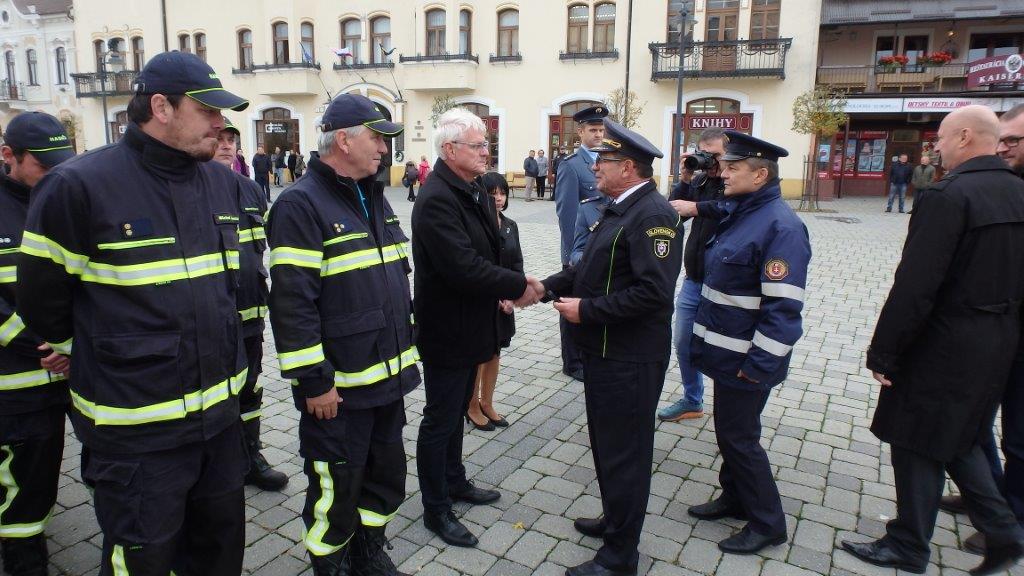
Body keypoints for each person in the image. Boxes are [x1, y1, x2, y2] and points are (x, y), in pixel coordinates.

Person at [17, 50, 251, 576]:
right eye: (208, 110)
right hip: (136, 429)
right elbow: (41, 299)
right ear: (162, 106)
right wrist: (90, 354)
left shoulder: (220, 183)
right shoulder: (78, 184)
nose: (221, 123)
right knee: (142, 559)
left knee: (218, 554)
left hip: (217, 421)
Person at [841, 105, 1024, 576]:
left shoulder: (948, 195)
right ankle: (998, 533)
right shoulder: (1017, 191)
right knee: (954, 437)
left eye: (940, 139)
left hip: (944, 341)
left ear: (964, 137)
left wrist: (884, 351)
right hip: (1000, 337)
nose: (935, 149)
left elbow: (916, 285)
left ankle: (916, 542)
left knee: (915, 435)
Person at [267, 94, 417, 575]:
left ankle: (369, 547)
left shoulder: (373, 196)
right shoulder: (299, 204)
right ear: (344, 139)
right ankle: (330, 560)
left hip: (387, 374)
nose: (383, 150)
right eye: (376, 138)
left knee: (386, 473)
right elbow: (293, 302)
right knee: (337, 483)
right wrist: (314, 379)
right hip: (340, 387)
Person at [538, 120, 682, 576]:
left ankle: (621, 557)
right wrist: (542, 287)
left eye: (606, 161)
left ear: (630, 168)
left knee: (626, 453)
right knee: (607, 446)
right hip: (604, 353)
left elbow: (654, 293)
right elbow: (587, 270)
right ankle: (615, 519)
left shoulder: (652, 215)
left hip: (630, 357)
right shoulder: (617, 208)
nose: (595, 166)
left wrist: (589, 312)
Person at [412, 108, 541, 549]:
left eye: (487, 143)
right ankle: (436, 507)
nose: (487, 150)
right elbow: (463, 267)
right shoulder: (436, 198)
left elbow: (493, 252)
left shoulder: (473, 190)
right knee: (441, 418)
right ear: (450, 150)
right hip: (447, 328)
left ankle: (456, 481)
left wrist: (510, 284)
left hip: (474, 323)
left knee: (456, 415)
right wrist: (520, 285)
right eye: (478, 144)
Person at [687, 131, 811, 555]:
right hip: (727, 352)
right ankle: (735, 496)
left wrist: (759, 365)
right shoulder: (744, 212)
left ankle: (767, 522)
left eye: (732, 167)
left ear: (760, 175)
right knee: (733, 434)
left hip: (747, 360)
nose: (722, 173)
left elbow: (784, 311)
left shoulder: (782, 226)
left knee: (739, 438)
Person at [0, 111, 74, 575]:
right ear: (9, 156)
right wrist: (40, 346)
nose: (55, 174)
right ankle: (24, 559)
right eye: (43, 165)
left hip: (70, 367)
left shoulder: (65, 198)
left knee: (56, 466)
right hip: (18, 374)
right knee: (24, 475)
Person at [213, 117, 288, 493]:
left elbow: (270, 249)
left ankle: (251, 456)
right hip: (212, 324)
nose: (226, 145)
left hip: (251, 315)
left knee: (250, 390)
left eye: (232, 139)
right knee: (215, 396)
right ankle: (220, 466)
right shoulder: (192, 191)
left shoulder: (250, 191)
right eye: (219, 138)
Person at [657, 128, 729, 422]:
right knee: (684, 341)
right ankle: (692, 400)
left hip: (725, 285)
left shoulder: (735, 182)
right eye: (704, 153)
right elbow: (675, 213)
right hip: (694, 279)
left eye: (715, 155)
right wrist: (685, 180)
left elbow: (732, 209)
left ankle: (730, 412)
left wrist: (697, 207)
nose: (709, 160)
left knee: (726, 348)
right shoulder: (700, 181)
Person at [555, 106, 607, 382]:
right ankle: (572, 361)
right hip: (580, 250)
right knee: (570, 302)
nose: (598, 135)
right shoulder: (572, 166)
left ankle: (587, 352)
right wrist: (570, 255)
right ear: (581, 132)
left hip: (601, 250)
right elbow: (567, 213)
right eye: (593, 130)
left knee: (590, 303)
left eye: (601, 130)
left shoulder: (607, 161)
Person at [466, 172, 521, 432]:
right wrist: (495, 294)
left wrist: (513, 296)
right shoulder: (476, 225)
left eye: (502, 193)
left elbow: (517, 265)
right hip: (483, 302)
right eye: (492, 194)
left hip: (504, 303)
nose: (498, 198)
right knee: (478, 354)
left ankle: (487, 402)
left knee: (495, 353)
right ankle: (471, 405)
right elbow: (475, 267)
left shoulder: (510, 225)